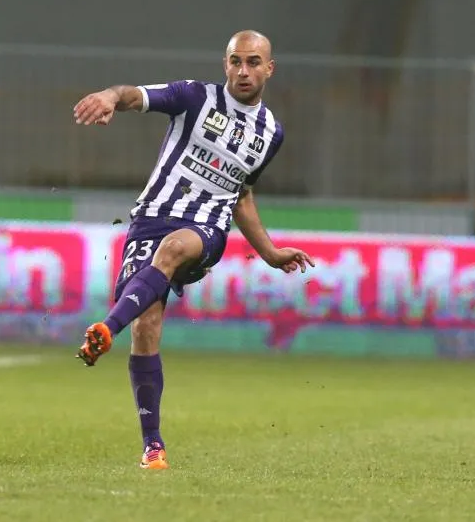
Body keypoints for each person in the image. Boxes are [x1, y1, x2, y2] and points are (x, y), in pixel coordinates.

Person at [71, 30, 315, 470]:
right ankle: (153, 446)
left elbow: (240, 196)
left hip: (206, 229)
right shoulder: (192, 98)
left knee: (173, 248)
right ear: (225, 64)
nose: (244, 71)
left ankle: (105, 329)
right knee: (146, 326)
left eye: (254, 62)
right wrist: (109, 95)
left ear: (269, 68)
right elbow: (133, 96)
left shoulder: (270, 133)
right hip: (149, 219)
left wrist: (270, 252)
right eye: (236, 61)